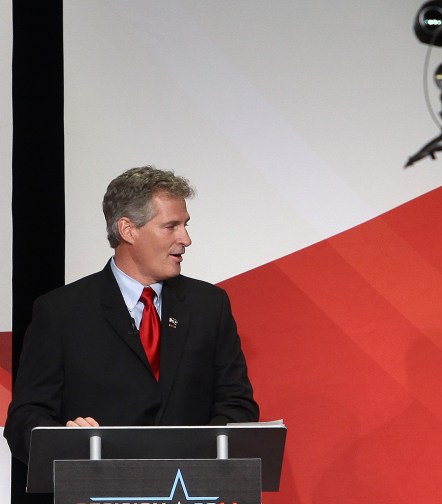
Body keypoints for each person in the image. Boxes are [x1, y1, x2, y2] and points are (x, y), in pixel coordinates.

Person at [4, 165, 260, 464]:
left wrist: (196, 452)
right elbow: (26, 419)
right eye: (171, 226)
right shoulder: (62, 312)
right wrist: (66, 441)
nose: (186, 239)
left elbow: (237, 405)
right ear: (128, 230)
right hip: (99, 498)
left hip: (191, 497)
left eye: (185, 224)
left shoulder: (208, 305)